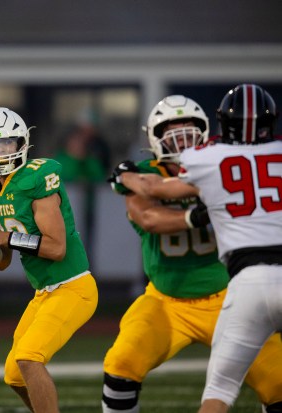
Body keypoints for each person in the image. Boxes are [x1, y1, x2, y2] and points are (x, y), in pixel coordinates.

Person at [104, 95, 282, 412]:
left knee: (278, 382)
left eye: (188, 130)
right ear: (155, 137)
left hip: (226, 295)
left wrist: (125, 175)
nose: (181, 139)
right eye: (172, 131)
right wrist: (196, 216)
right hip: (166, 300)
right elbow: (148, 218)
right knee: (121, 364)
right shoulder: (150, 170)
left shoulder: (216, 162)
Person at [0, 107, 98, 413]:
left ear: (22, 144)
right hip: (43, 293)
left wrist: (4, 238)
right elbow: (5, 259)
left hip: (73, 286)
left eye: (8, 143)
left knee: (29, 358)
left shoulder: (37, 178)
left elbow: (56, 248)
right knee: (14, 374)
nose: (1, 151)